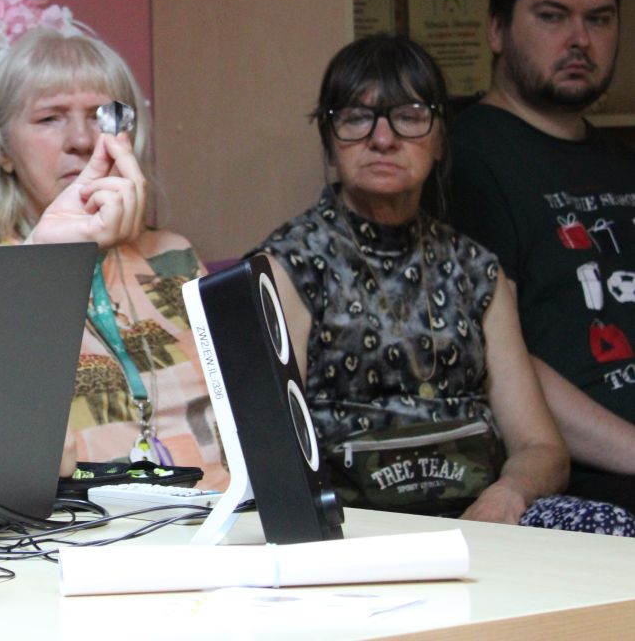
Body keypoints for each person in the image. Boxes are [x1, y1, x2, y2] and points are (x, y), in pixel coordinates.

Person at [256, 34, 632, 532]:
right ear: (329, 141)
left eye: (409, 116)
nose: (383, 138)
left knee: (612, 528)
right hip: (354, 526)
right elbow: (271, 452)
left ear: (438, 140)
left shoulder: (476, 269)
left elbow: (540, 446)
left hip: (483, 518)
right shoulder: (287, 265)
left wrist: (509, 494)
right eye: (356, 118)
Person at [0, 28, 226, 489]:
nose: (82, 139)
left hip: (221, 518)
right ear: (2, 148)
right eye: (50, 118)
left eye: (104, 116)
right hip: (76, 527)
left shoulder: (174, 257)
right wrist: (40, 266)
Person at [448, 0, 635, 512]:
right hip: (586, 482)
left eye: (599, 20)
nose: (580, 39)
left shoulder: (618, 159)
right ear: (497, 30)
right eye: (552, 17)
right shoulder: (463, 160)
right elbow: (494, 358)